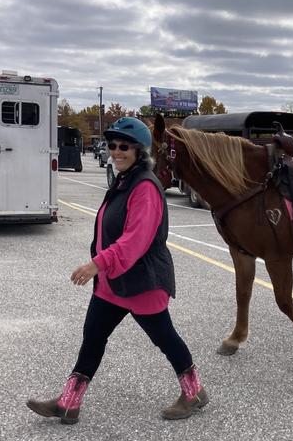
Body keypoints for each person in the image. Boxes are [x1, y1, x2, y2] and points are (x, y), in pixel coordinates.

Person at [26, 117, 208, 424]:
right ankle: (69, 403)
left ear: (139, 151)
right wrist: (102, 265)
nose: (116, 152)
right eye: (112, 146)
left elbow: (134, 241)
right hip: (113, 282)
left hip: (142, 283)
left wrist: (96, 263)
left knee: (165, 338)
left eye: (124, 146)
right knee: (93, 335)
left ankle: (194, 392)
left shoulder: (146, 188)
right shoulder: (124, 180)